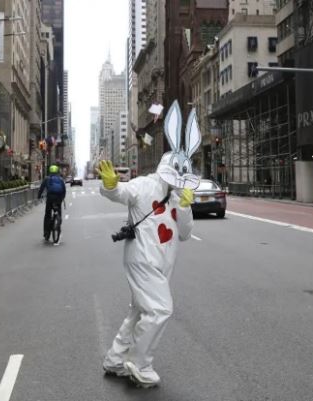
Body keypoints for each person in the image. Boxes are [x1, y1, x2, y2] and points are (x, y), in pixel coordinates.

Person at [98, 100, 200, 388]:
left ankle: (116, 359)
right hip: (142, 258)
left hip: (162, 262)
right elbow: (122, 193)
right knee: (160, 309)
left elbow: (184, 233)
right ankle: (138, 362)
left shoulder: (179, 194)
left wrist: (187, 207)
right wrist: (110, 185)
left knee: (141, 310)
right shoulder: (145, 185)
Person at [38, 165, 66, 240]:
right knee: (59, 213)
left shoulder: (47, 178)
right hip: (58, 199)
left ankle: (46, 232)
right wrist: (62, 198)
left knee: (47, 214)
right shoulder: (60, 179)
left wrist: (39, 196)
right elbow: (64, 190)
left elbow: (41, 188)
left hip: (50, 198)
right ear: (57, 171)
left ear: (50, 171)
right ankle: (58, 227)